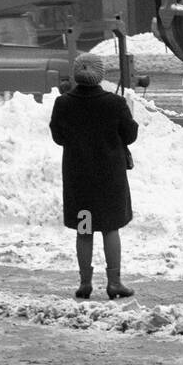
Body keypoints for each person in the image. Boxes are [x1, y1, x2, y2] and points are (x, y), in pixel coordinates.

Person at [49, 52, 138, 299]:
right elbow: (129, 135)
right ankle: (114, 283)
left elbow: (58, 137)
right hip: (109, 178)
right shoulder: (114, 103)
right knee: (110, 228)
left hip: (79, 177)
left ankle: (85, 282)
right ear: (100, 75)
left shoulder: (64, 103)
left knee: (84, 229)